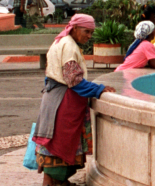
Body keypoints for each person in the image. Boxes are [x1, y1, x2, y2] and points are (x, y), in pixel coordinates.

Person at [33, 14, 117, 185]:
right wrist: (98, 89)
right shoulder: (69, 46)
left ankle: (57, 182)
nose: (89, 36)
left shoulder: (61, 41)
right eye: (87, 31)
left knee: (55, 144)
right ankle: (52, 182)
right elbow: (73, 80)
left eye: (92, 32)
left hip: (54, 98)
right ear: (75, 28)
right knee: (60, 144)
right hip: (63, 103)